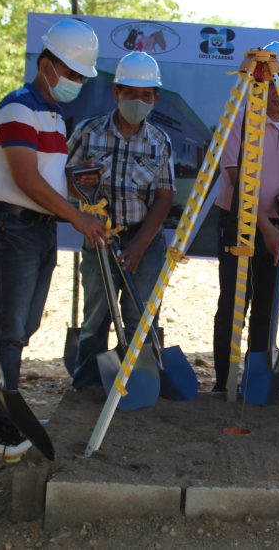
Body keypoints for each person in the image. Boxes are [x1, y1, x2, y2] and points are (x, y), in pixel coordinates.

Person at [0, 19, 108, 461]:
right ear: (47, 65)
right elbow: (27, 179)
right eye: (71, 74)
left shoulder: (52, 114)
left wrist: (81, 198)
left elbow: (50, 179)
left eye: (80, 78)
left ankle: (9, 410)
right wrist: (79, 218)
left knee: (23, 326)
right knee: (9, 330)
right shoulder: (18, 107)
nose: (76, 83)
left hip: (36, 230)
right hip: (11, 227)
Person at [66, 51, 175, 389]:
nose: (138, 101)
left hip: (145, 240)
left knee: (139, 315)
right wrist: (78, 185)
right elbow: (63, 178)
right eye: (130, 93)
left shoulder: (160, 142)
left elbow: (165, 197)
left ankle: (141, 380)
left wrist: (140, 245)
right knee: (97, 312)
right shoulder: (88, 132)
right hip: (98, 238)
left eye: (146, 95)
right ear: (116, 93)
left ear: (155, 98)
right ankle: (88, 384)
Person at [211, 41, 279, 393]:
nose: (276, 93)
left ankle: (254, 383)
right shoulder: (237, 121)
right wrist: (266, 229)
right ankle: (224, 384)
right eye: (270, 84)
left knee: (269, 307)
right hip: (238, 224)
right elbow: (238, 183)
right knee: (233, 306)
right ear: (257, 83)